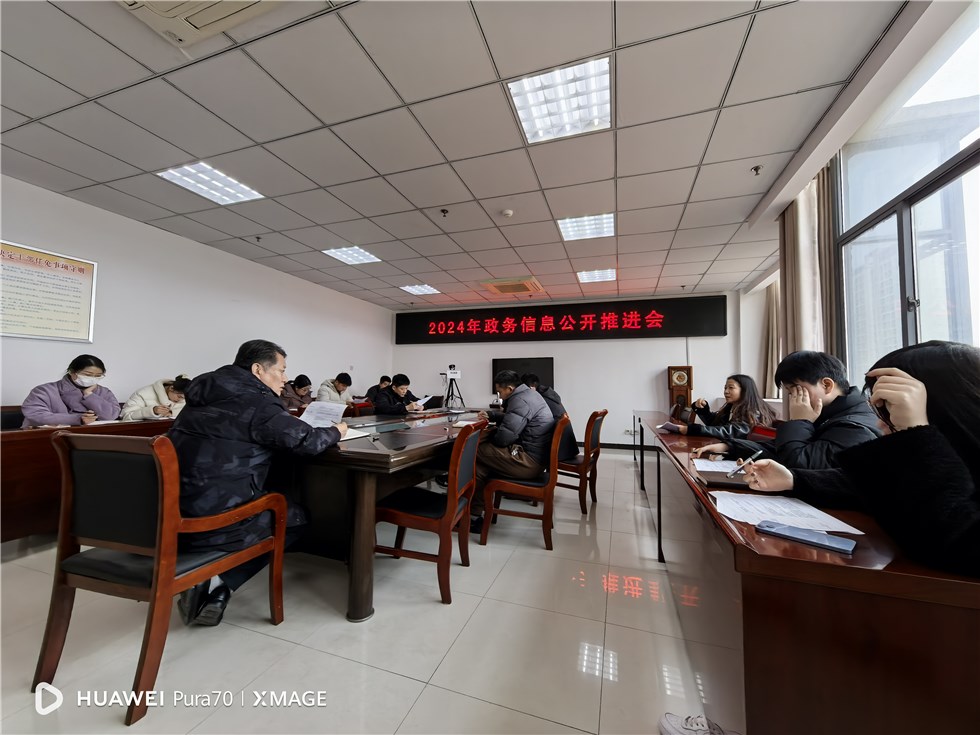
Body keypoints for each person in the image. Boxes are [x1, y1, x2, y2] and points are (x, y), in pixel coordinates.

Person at [743, 341, 980, 577]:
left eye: (890, 411)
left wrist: (914, 431)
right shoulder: (830, 415)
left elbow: (948, 540)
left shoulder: (853, 422)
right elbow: (874, 483)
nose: (881, 424)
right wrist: (793, 479)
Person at [168, 339, 347, 626]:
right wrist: (337, 431)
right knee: (295, 517)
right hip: (218, 518)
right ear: (258, 370)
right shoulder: (257, 403)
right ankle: (220, 580)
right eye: (281, 370)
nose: (285, 378)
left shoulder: (202, 395)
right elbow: (308, 441)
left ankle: (211, 580)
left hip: (174, 508)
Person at [692, 351, 881, 470]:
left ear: (826, 385)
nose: (793, 399)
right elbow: (780, 447)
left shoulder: (855, 425)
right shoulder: (827, 413)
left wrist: (800, 422)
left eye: (795, 390)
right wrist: (730, 446)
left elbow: (797, 464)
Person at [471, 370, 555, 532]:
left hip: (528, 462)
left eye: (500, 392)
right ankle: (474, 516)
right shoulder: (530, 394)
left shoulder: (520, 400)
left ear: (509, 389)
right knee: (480, 466)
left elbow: (504, 439)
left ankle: (461, 505)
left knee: (471, 451)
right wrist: (492, 416)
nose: (500, 396)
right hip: (537, 458)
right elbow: (516, 417)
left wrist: (489, 435)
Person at [662, 374, 775, 441]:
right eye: (725, 388)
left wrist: (693, 429)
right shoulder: (732, 407)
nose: (726, 391)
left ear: (745, 390)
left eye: (731, 388)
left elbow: (729, 432)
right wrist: (703, 410)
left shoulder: (752, 411)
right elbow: (715, 424)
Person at [21, 354, 120, 427]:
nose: (93, 379)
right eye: (88, 375)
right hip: (45, 437)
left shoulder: (104, 392)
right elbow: (36, 415)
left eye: (98, 376)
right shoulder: (44, 390)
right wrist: (78, 419)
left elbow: (112, 415)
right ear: (72, 372)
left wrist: (89, 395)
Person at [522, 373, 579, 461]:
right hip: (569, 448)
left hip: (559, 451)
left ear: (530, 388)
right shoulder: (549, 394)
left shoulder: (539, 399)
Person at [120, 374, 192, 421]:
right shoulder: (143, 393)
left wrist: (172, 413)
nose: (180, 400)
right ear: (171, 388)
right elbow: (126, 416)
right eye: (179, 396)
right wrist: (152, 411)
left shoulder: (184, 399)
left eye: (184, 398)